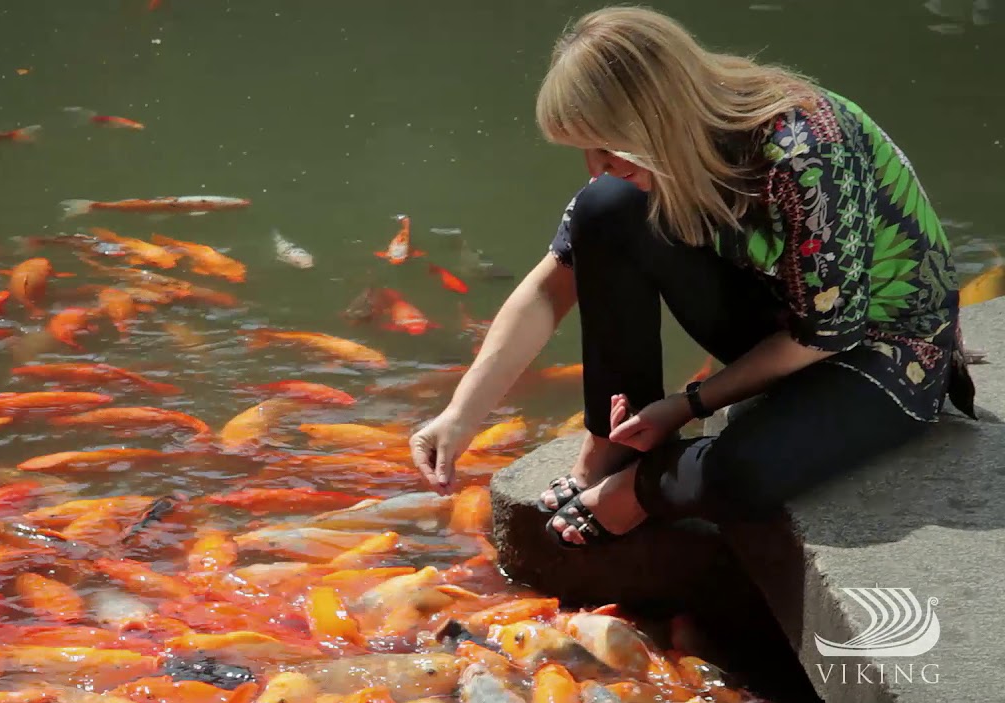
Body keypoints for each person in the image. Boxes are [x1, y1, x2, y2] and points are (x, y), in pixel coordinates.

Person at [408, 6, 976, 547]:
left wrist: (687, 405)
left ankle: (641, 486)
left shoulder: (805, 150)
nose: (597, 166)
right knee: (604, 209)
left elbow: (828, 332)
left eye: (609, 148)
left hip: (880, 348)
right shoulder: (666, 154)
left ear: (656, 117)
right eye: (586, 150)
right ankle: (613, 444)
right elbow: (551, 285)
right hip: (782, 319)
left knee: (744, 476)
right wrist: (461, 417)